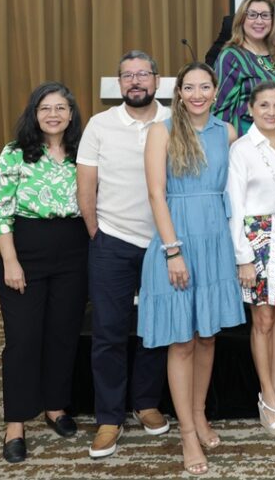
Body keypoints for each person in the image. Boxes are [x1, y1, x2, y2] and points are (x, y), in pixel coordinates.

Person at [137, 62, 245, 475]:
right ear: (178, 93)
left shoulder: (228, 133)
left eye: (205, 87)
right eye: (189, 87)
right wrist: (172, 250)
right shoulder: (161, 131)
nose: (197, 94)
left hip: (215, 242)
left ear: (216, 92)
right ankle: (186, 432)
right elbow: (155, 194)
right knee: (181, 341)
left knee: (208, 337)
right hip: (177, 241)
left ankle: (199, 414)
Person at [77, 51, 170, 460]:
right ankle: (109, 418)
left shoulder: (173, 120)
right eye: (128, 76)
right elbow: (86, 187)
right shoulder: (99, 125)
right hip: (112, 241)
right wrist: (98, 234)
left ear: (156, 80)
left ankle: (146, 403)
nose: (136, 82)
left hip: (161, 244)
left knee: (155, 329)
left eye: (143, 74)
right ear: (119, 84)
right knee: (109, 332)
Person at [0, 82, 88, 464]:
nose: (53, 115)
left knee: (63, 334)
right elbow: (0, 212)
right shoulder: (15, 154)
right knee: (23, 339)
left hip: (73, 250)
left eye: (60, 108)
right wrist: (11, 261)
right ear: (34, 113)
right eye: (45, 108)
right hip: (25, 251)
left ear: (71, 114)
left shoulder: (82, 153)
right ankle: (15, 422)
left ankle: (55, 406)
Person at [226, 81, 275, 437]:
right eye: (264, 105)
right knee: (262, 320)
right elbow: (235, 206)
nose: (271, 111)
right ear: (250, 109)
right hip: (257, 239)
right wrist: (243, 256)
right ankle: (267, 398)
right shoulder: (241, 149)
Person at [213, 0, 275, 137]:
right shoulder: (231, 57)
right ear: (242, 20)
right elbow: (220, 111)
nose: (259, 21)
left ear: (273, 21)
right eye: (252, 15)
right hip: (249, 142)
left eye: (265, 15)